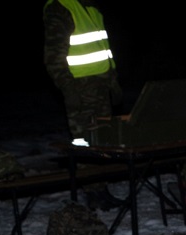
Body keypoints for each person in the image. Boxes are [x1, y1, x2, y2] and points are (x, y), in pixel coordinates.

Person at [43, 0, 123, 209]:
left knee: (103, 140)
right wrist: (67, 87)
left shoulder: (91, 7)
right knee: (84, 142)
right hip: (79, 88)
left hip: (100, 85)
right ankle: (92, 191)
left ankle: (100, 189)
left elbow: (103, 48)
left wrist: (112, 80)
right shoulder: (60, 7)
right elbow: (53, 55)